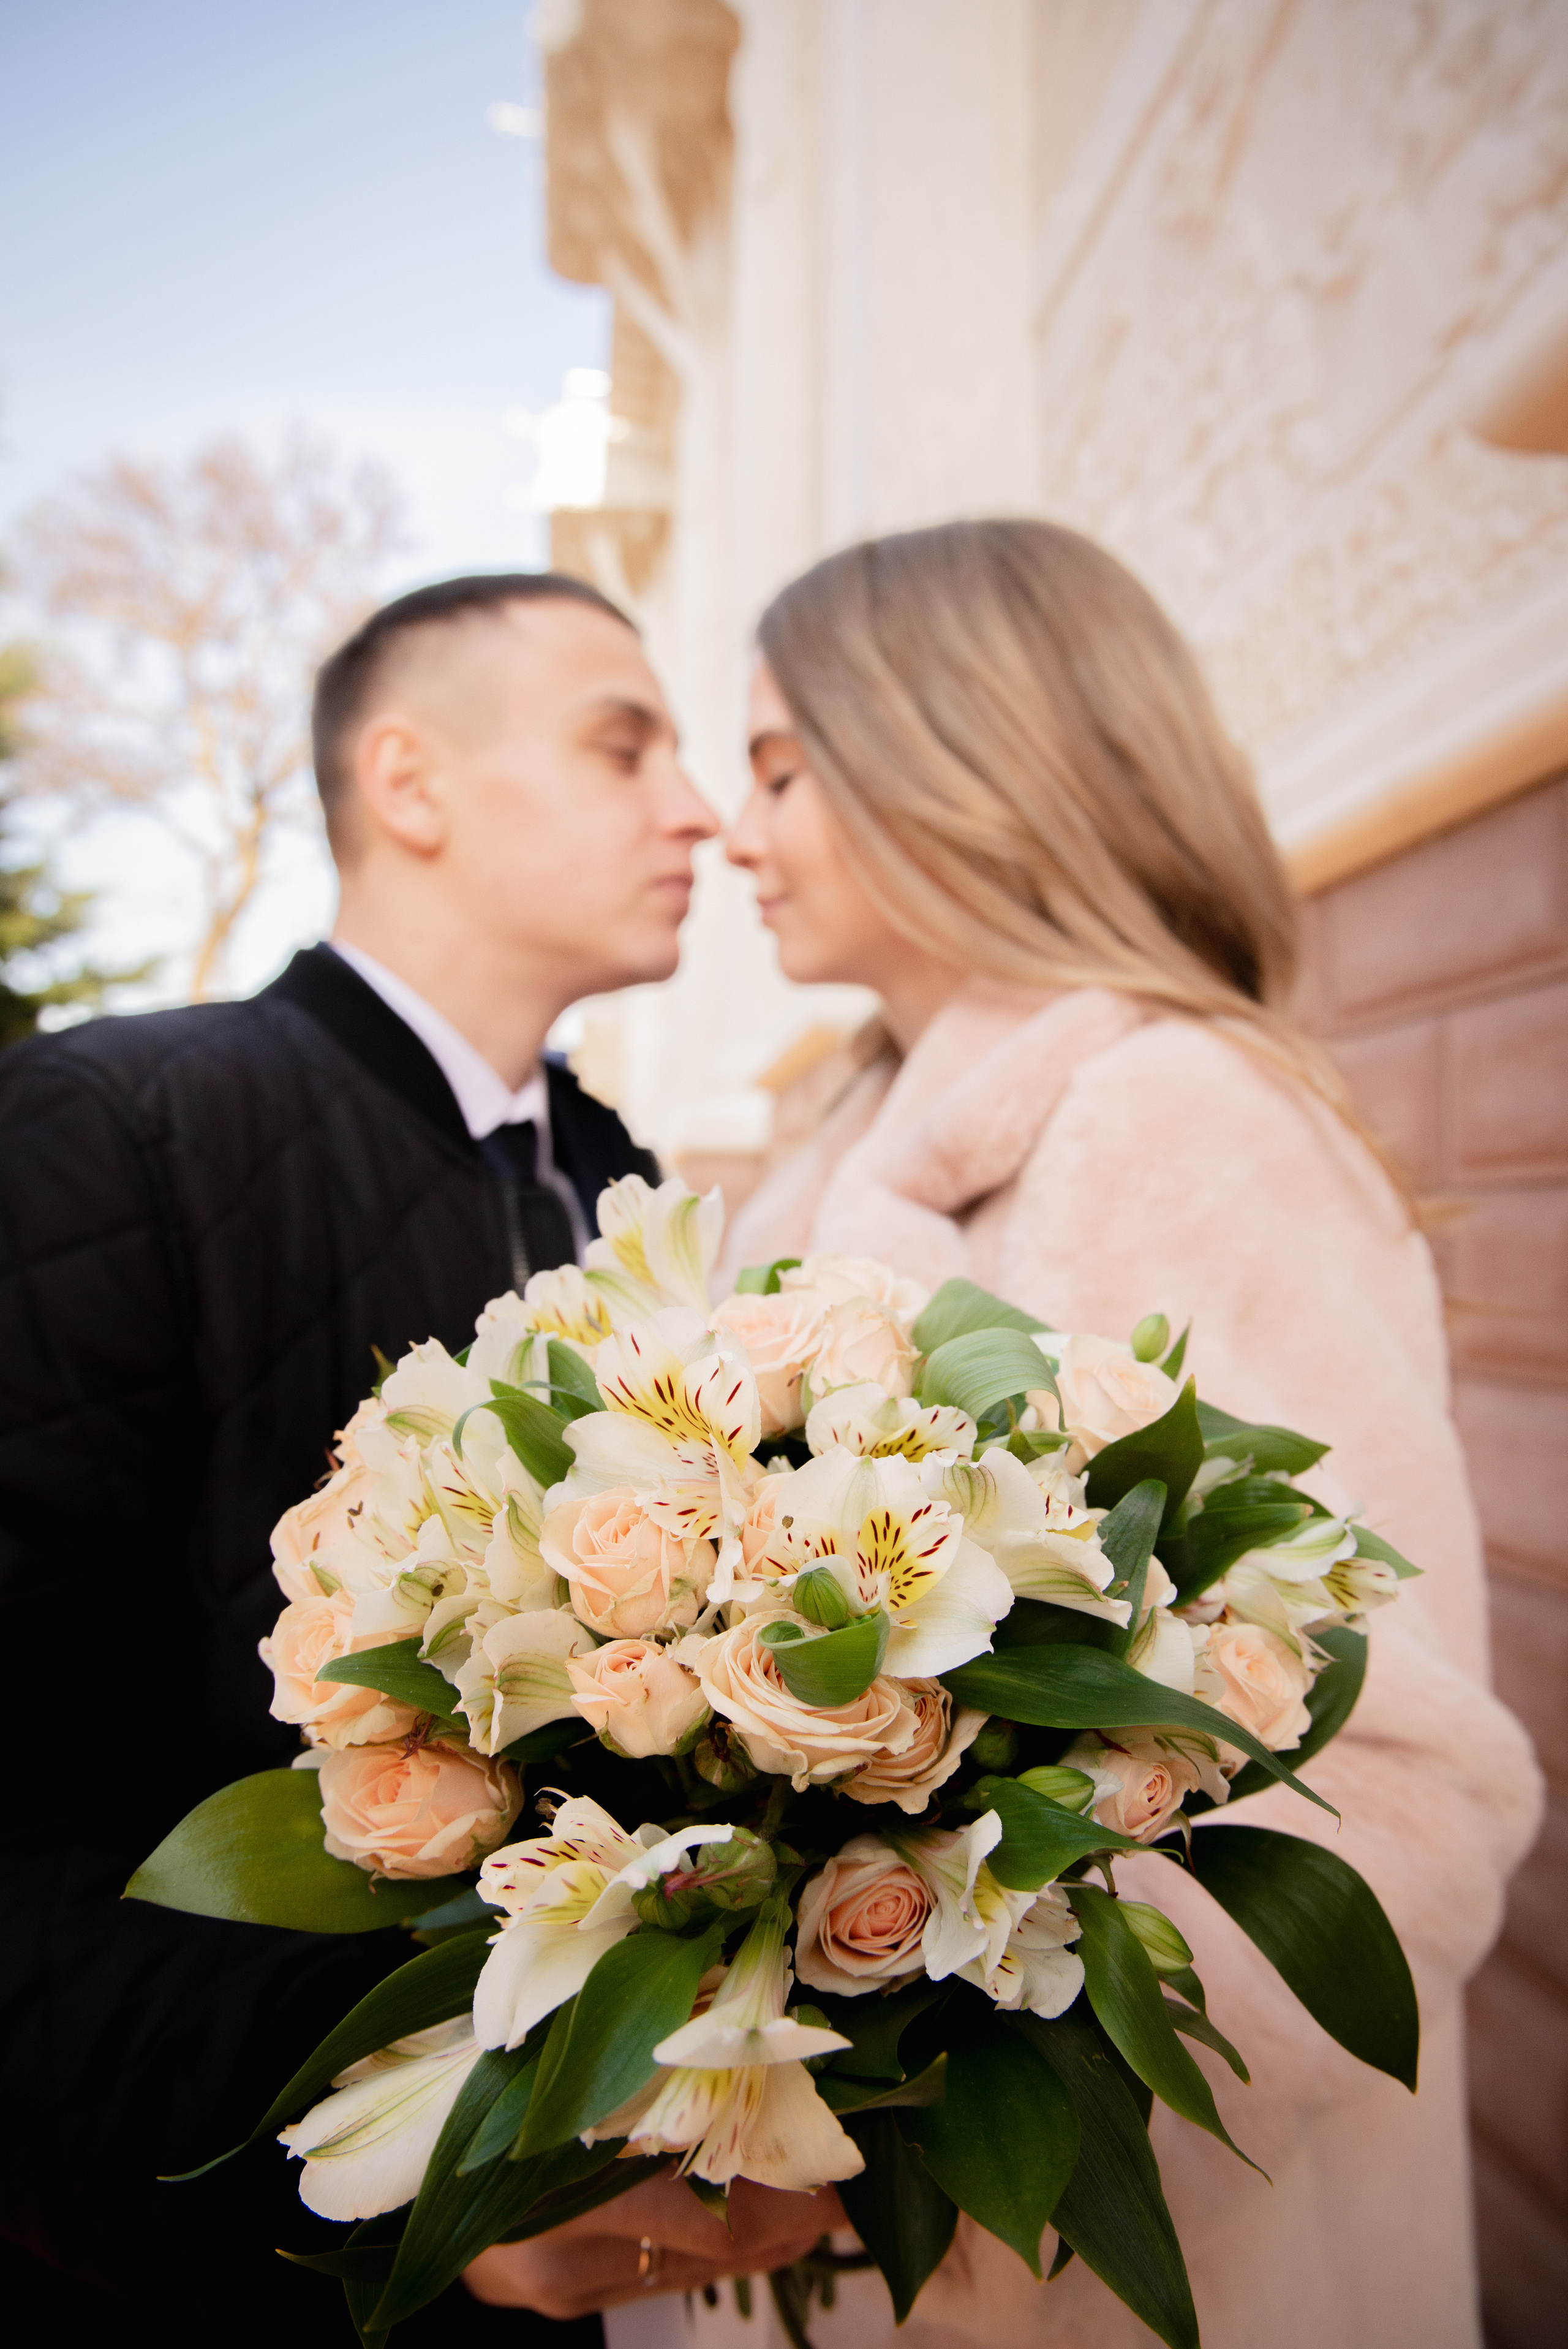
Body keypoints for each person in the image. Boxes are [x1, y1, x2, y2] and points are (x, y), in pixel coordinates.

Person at [696, 518, 1541, 2349]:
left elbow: (1406, 1780)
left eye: (778, 768)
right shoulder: (836, 1152)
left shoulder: (1176, 1114)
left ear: (955, 748)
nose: (734, 833)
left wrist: (967, 2118)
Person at [0, 569, 802, 2339]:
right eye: (625, 744)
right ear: (412, 783)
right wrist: (385, 2149)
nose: (695, 808)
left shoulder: (625, 1194)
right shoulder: (116, 1132)